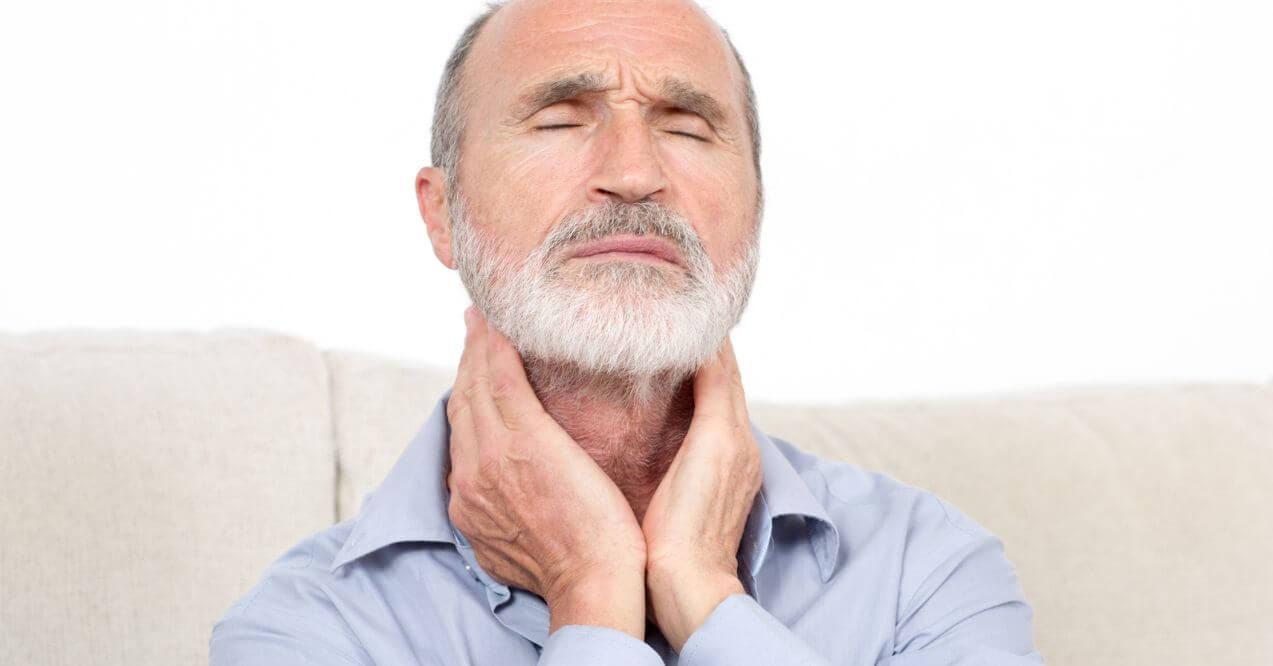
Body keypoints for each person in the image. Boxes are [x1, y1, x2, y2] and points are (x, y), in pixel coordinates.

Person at [210, 0, 1044, 663]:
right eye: (560, 121)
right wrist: (592, 592)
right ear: (443, 216)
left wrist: (704, 593)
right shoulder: (308, 629)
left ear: (753, 210)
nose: (635, 173)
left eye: (685, 126)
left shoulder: (925, 570)